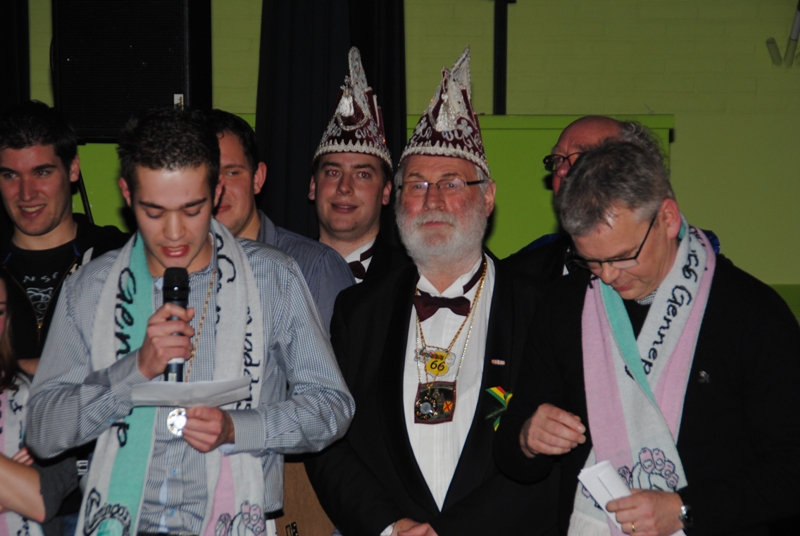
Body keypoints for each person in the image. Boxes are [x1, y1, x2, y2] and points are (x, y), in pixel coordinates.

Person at [25, 107, 354, 536]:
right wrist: (133, 371)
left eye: (192, 209)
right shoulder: (91, 287)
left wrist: (239, 428)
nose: (175, 232)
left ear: (216, 192)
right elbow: (42, 430)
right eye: (154, 211)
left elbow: (331, 406)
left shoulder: (272, 277)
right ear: (127, 192)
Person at [306, 48, 558, 536]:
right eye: (417, 184)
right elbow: (329, 441)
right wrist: (388, 526)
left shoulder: (540, 308)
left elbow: (550, 450)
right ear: (397, 199)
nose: (433, 200)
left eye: (451, 183)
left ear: (488, 197)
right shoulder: (358, 312)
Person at [494, 139, 800, 535]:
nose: (607, 276)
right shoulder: (565, 305)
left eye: (622, 256)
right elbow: (513, 458)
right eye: (590, 260)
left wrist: (684, 509)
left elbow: (791, 469)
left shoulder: (750, 312)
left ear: (667, 219)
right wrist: (527, 438)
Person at [502, 116, 719, 282]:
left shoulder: (708, 273)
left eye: (584, 158)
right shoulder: (520, 275)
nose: (562, 171)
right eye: (558, 160)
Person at [0, 101, 128, 375]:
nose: (26, 193)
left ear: (73, 169)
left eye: (42, 172)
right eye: (10, 175)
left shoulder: (118, 255)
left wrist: (18, 370)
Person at [208, 109, 354, 328]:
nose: (219, 189)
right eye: (207, 175)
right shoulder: (177, 267)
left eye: (232, 173)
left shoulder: (314, 269)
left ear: (257, 179)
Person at [308, 47, 409, 283]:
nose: (344, 187)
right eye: (333, 172)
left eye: (362, 174)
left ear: (386, 191)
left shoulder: (412, 281)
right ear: (313, 186)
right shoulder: (280, 272)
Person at [0, 272, 78, 536]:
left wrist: (18, 490)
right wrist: (11, 479)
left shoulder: (41, 395)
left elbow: (40, 500)